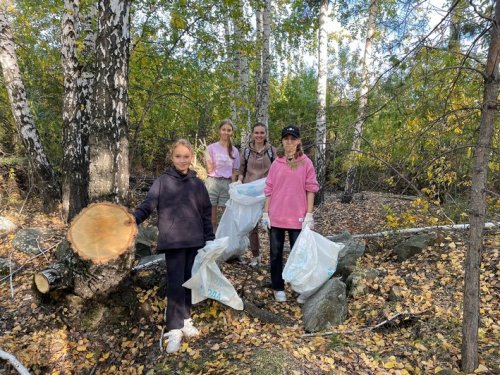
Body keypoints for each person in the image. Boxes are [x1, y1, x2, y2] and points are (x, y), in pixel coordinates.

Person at [134, 139, 214, 354]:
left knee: (189, 282)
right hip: (173, 242)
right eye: (178, 156)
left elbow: (206, 212)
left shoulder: (198, 184)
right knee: (175, 285)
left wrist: (209, 238)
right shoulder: (162, 182)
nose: (182, 160)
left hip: (194, 240)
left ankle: (186, 320)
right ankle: (173, 329)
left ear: (191, 158)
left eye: (186, 156)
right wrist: (132, 220)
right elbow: (147, 205)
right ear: (172, 158)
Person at [261, 125, 319, 302]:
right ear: (282, 141)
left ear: (299, 141)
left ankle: (300, 286)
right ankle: (278, 287)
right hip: (277, 216)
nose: (289, 141)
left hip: (298, 218)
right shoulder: (276, 163)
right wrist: (265, 213)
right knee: (276, 254)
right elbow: (269, 189)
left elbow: (311, 189)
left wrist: (309, 214)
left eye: (293, 138)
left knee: (299, 254)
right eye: (286, 138)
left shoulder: (306, 163)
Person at [238, 123, 277, 267]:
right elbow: (241, 169)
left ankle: (274, 256)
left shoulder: (272, 151)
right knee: (252, 225)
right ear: (252, 134)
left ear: (266, 134)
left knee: (271, 224)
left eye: (262, 133)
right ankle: (256, 256)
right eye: (256, 133)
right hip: (251, 193)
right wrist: (239, 182)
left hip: (268, 193)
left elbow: (278, 170)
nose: (259, 135)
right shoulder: (247, 151)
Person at [205, 119, 240, 231]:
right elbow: (209, 169)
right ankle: (211, 241)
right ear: (219, 131)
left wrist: (233, 187)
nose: (226, 132)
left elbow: (235, 171)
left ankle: (224, 242)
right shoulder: (211, 148)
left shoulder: (234, 151)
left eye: (228, 130)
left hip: (227, 183)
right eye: (223, 129)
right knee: (212, 219)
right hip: (212, 182)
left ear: (232, 132)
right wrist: (206, 155)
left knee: (226, 218)